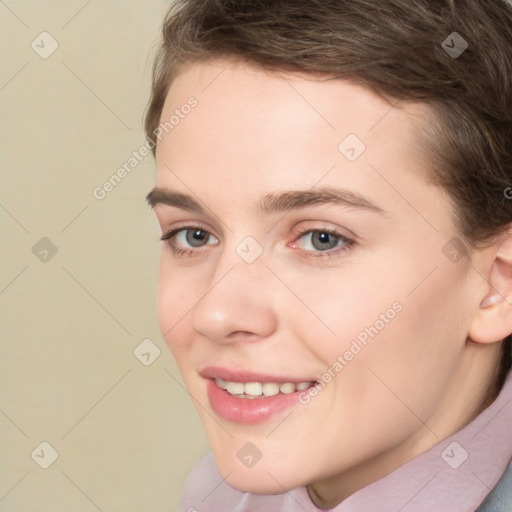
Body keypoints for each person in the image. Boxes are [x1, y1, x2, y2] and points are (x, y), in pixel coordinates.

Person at [144, 0, 512, 510]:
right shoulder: (214, 495)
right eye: (193, 235)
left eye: (322, 238)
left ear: (498, 283)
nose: (215, 313)